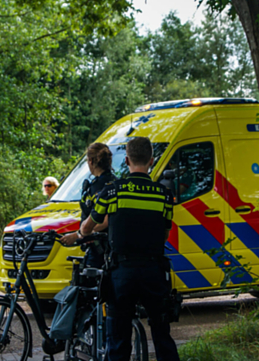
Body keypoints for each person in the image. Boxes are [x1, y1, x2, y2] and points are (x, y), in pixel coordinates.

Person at [80, 137, 179, 361]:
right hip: (154, 272)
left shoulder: (113, 192)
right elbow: (164, 234)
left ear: (126, 160)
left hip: (121, 273)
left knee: (117, 339)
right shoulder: (164, 196)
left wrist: (82, 232)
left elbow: (90, 225)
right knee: (162, 335)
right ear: (151, 161)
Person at [59, 143, 115, 268]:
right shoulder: (115, 182)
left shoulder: (99, 187)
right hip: (113, 247)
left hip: (101, 248)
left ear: (90, 161)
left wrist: (78, 234)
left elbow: (105, 221)